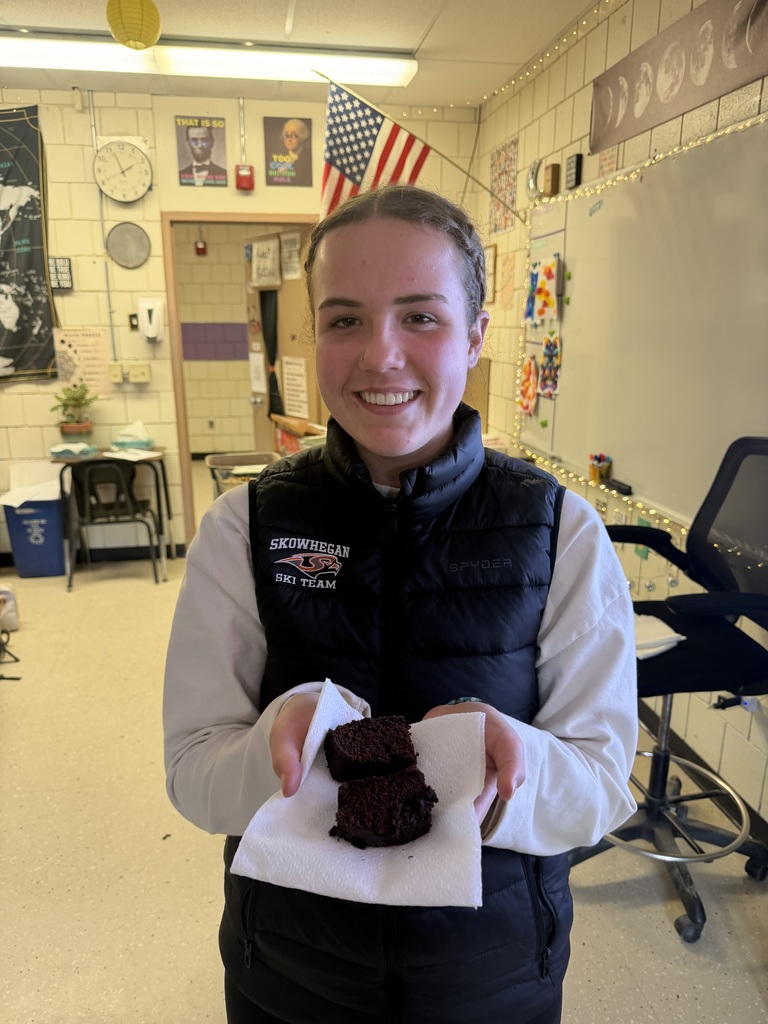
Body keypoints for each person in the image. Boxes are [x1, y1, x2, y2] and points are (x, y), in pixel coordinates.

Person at [163, 184, 638, 1024]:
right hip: (290, 972)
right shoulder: (244, 526)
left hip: (490, 978)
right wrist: (267, 751)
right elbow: (193, 775)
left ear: (478, 334)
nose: (381, 355)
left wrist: (512, 768)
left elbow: (601, 784)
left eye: (421, 317)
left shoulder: (560, 530)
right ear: (314, 335)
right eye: (345, 319)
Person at [267, 118, 312, 186]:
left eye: (294, 135)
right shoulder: (276, 157)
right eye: (286, 135)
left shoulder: (309, 158)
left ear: (303, 136)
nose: (289, 139)